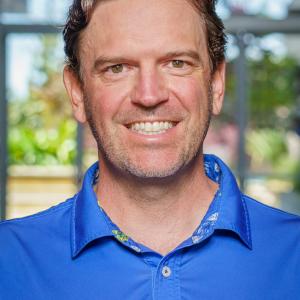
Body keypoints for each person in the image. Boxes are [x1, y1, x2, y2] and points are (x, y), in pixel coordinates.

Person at [1, 0, 299, 299]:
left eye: (177, 63)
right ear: (77, 93)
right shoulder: (10, 261)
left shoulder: (293, 253)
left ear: (216, 84)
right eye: (117, 68)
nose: (149, 95)